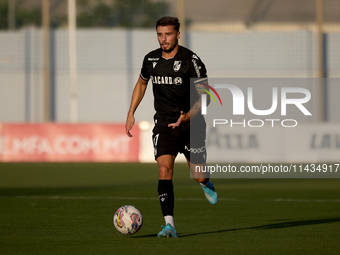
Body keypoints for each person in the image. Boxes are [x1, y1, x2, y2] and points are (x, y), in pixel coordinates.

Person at [125, 16, 217, 238]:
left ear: (177, 34)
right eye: (159, 34)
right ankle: (169, 225)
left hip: (191, 125)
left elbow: (205, 98)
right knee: (164, 169)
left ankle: (205, 182)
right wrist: (131, 113)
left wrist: (187, 117)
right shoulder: (151, 60)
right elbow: (142, 82)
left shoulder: (192, 61)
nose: (163, 39)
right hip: (164, 125)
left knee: (197, 174)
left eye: (167, 34)